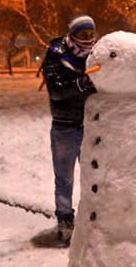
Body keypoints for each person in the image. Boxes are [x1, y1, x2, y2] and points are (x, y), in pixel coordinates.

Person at [41, 14, 97, 245]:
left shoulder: (96, 54)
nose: (88, 38)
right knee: (64, 178)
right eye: (83, 34)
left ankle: (91, 220)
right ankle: (65, 221)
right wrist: (80, 84)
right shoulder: (56, 54)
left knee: (93, 177)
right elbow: (55, 90)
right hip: (64, 126)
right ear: (72, 35)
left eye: (91, 33)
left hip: (91, 126)